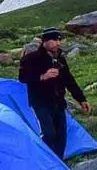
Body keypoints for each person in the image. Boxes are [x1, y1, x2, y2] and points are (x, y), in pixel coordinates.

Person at [19, 28, 91, 158]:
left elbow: (69, 80)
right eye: (54, 40)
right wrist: (42, 76)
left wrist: (81, 99)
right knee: (48, 133)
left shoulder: (60, 59)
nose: (57, 43)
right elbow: (23, 77)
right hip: (40, 102)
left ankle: (59, 165)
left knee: (61, 136)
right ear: (44, 41)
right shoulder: (32, 58)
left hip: (58, 103)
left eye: (59, 40)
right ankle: (45, 162)